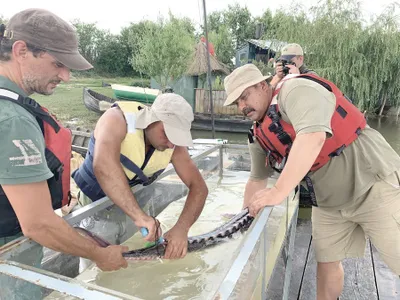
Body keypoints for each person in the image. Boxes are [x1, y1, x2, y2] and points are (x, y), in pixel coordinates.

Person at [223, 64, 400, 300]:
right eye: (237, 103)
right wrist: (243, 218)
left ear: (263, 85)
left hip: (372, 184)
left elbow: (313, 137)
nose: (242, 106)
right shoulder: (258, 135)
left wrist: (278, 191)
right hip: (329, 204)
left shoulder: (295, 90)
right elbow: (256, 180)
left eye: (244, 96)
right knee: (325, 266)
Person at [0, 8, 129, 276]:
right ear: (21, 51)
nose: (66, 76)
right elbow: (38, 224)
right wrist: (99, 254)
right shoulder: (14, 120)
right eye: (58, 63)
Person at [72, 93, 208, 263]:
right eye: (167, 134)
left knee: (130, 264)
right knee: (97, 265)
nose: (171, 144)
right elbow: (103, 167)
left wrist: (182, 228)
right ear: (151, 118)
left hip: (134, 207)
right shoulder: (116, 119)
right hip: (96, 206)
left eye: (176, 137)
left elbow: (199, 187)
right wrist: (140, 216)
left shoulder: (173, 145)